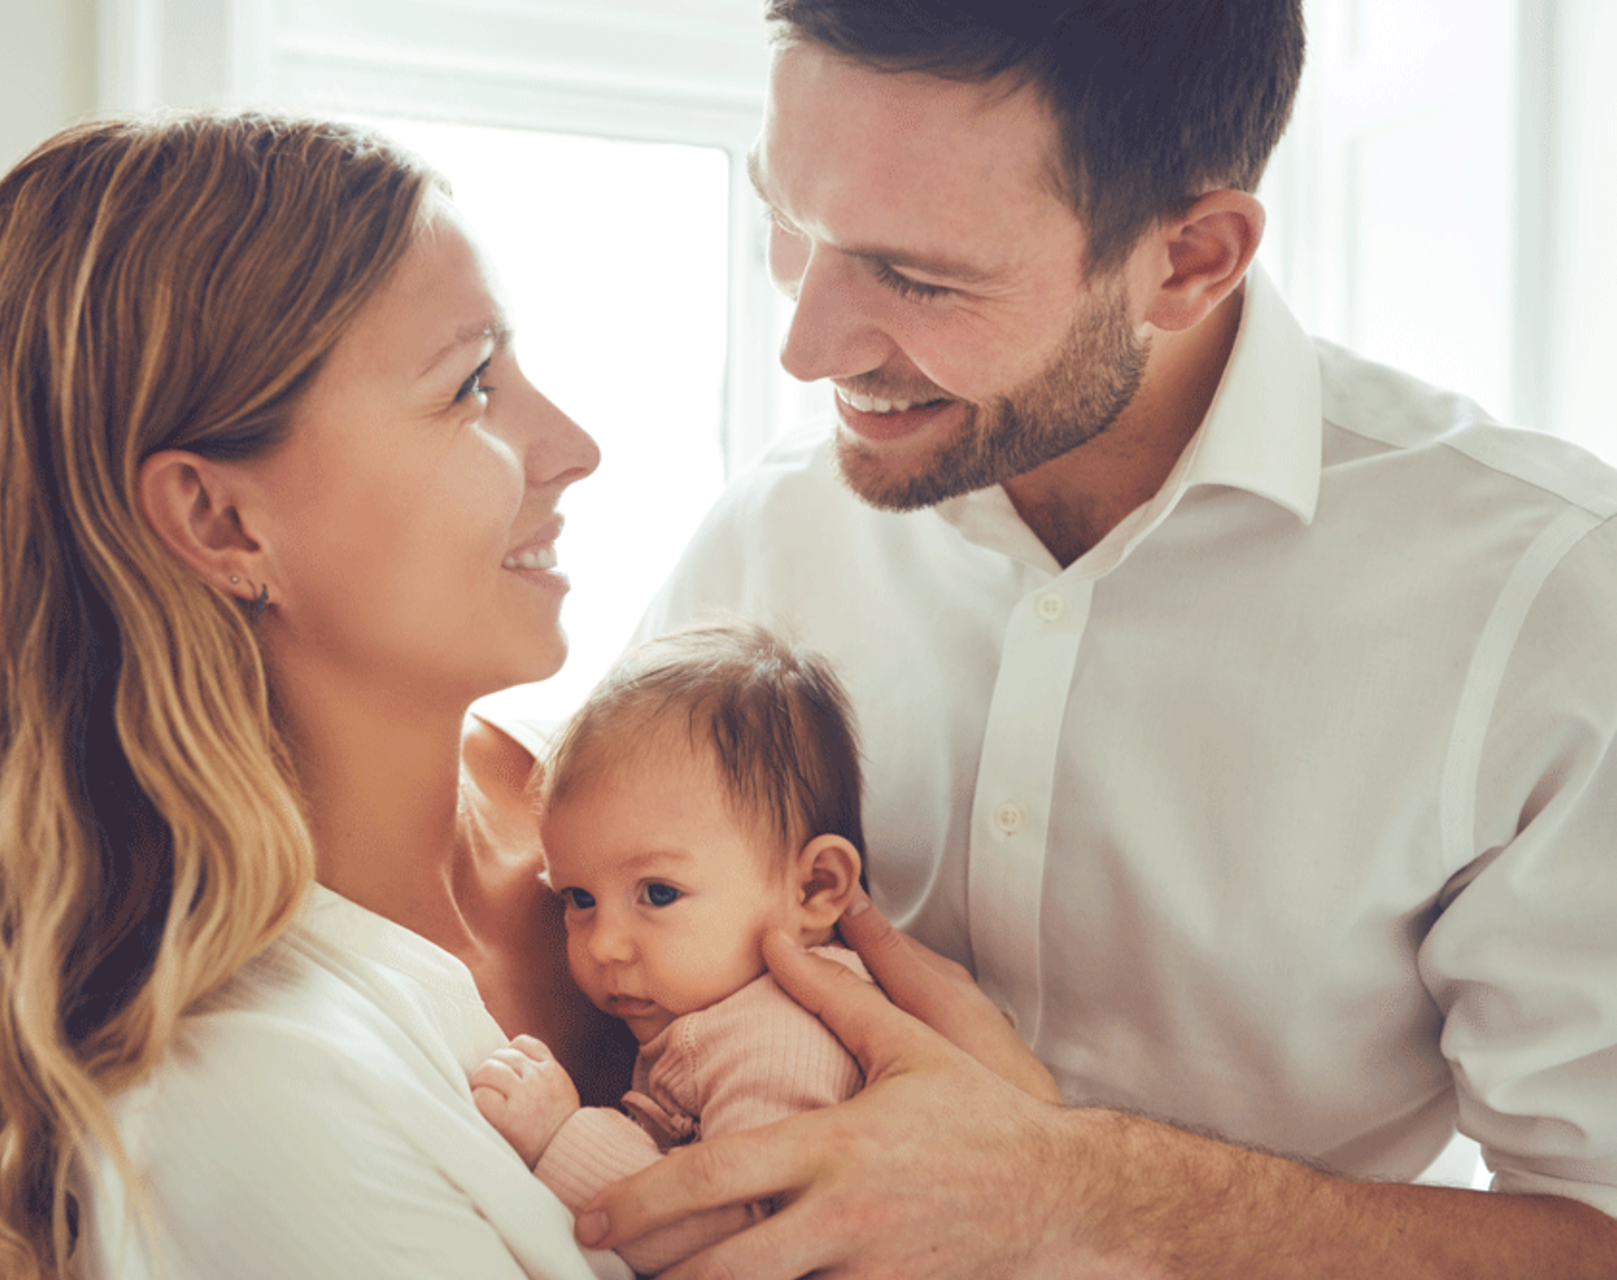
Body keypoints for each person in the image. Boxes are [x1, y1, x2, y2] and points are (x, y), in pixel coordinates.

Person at [576, 1, 1617, 1276]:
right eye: (787, 223)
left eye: (917, 276)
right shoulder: (777, 529)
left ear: (1190, 258)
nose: (807, 346)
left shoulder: (1549, 597)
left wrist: (1081, 1190)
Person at [0, 111, 645, 1279]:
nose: (576, 446)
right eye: (472, 386)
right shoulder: (245, 1100)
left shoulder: (642, 789)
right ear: (219, 520)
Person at [472, 621, 927, 1276]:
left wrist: (559, 1137)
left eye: (657, 894)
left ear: (814, 888)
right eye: (578, 898)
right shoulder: (726, 1011)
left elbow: (756, 1239)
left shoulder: (783, 1035)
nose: (604, 944)